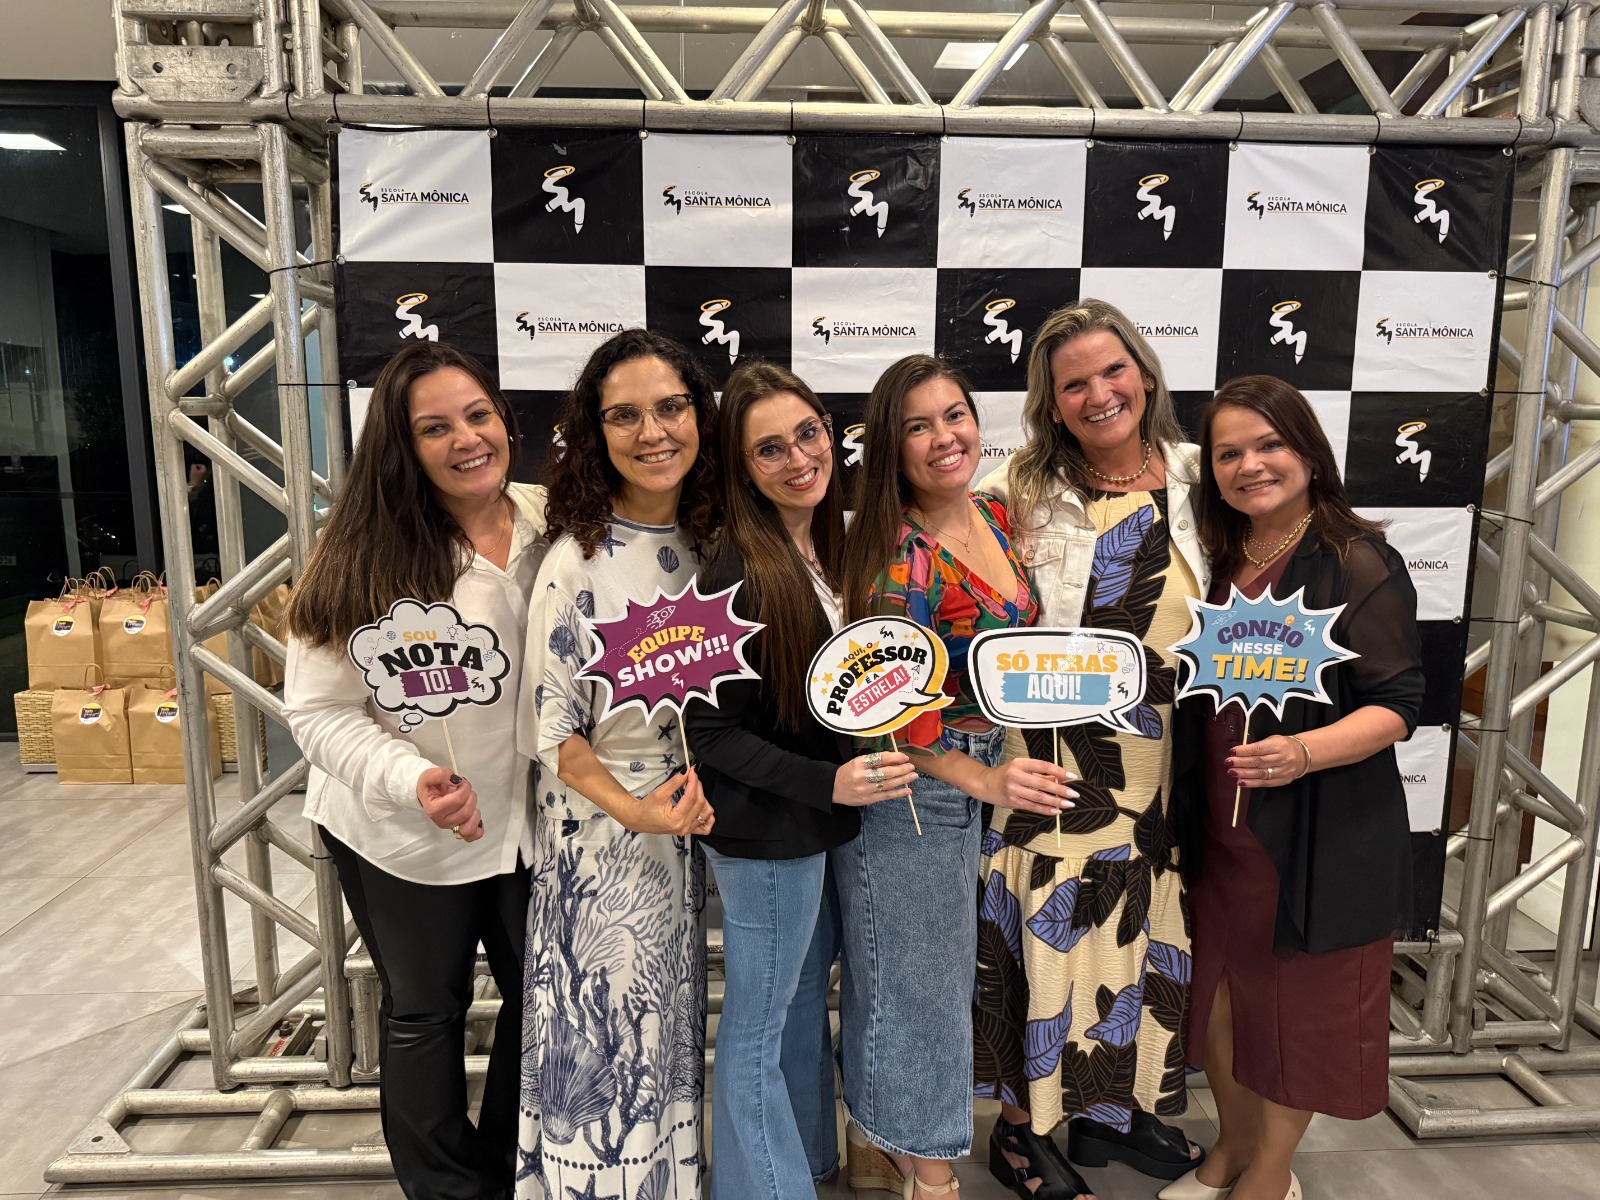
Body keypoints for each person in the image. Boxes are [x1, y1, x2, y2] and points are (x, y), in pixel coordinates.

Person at [283, 342, 548, 1200]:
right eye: (434, 428)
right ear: (401, 448)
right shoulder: (361, 553)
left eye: (477, 415)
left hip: (527, 823)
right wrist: (410, 780)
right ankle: (447, 1189)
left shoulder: (551, 523)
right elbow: (317, 713)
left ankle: (509, 1169)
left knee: (541, 998)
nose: (467, 439)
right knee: (427, 1008)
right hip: (400, 829)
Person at [1163, 375, 1423, 1200]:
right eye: (1228, 453)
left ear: (1309, 451)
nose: (1250, 466)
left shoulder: (1356, 560)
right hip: (1222, 832)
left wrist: (1304, 753)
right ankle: (1233, 1146)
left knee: (1297, 1014)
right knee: (1223, 1002)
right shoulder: (1220, 559)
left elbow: (1398, 706)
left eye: (1269, 444)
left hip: (1315, 832)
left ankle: (1271, 1174)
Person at [980, 298, 1211, 1200]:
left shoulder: (1202, 475)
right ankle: (1017, 1133)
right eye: (1073, 383)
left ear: (1145, 374)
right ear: (1051, 403)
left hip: (1164, 760)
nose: (1099, 393)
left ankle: (1114, 1112)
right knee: (1051, 929)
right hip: (1056, 759)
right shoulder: (1017, 488)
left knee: (1141, 930)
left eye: (1113, 370)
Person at [838, 354, 1075, 1200]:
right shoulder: (897, 558)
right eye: (918, 426)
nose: (945, 437)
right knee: (921, 987)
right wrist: (982, 781)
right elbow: (882, 712)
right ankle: (932, 1174)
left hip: (990, 770)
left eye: (955, 416)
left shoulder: (995, 514)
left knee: (947, 977)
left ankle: (880, 1136)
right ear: (891, 447)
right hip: (917, 786)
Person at [683, 361, 916, 1200]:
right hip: (765, 834)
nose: (798, 459)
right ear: (742, 469)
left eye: (807, 434)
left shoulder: (832, 546)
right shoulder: (734, 569)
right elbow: (710, 732)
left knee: (795, 1016)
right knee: (757, 1030)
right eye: (769, 449)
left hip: (811, 827)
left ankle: (807, 1163)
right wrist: (829, 784)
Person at [515, 329, 722, 1200]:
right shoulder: (578, 560)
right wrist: (635, 811)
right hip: (602, 842)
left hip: (685, 830)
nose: (653, 432)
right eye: (625, 415)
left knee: (660, 1042)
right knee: (600, 1044)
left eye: (671, 407)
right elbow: (554, 731)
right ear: (595, 434)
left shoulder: (715, 544)